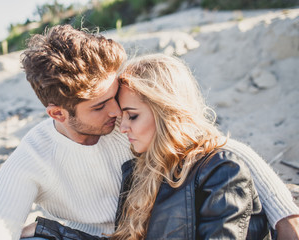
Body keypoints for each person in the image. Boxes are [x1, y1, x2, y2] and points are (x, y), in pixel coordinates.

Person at [0, 25, 299, 240]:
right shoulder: (34, 155)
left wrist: (286, 216)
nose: (116, 115)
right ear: (58, 113)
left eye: (117, 100)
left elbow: (215, 148)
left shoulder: (132, 122)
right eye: (99, 106)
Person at [20, 54, 288, 239]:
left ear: (166, 113)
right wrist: (50, 232)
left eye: (132, 115)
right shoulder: (137, 173)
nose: (122, 127)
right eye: (121, 116)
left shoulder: (220, 172)